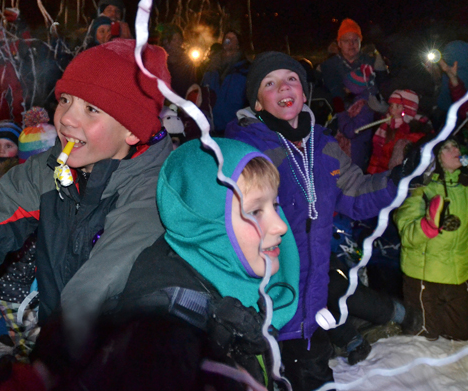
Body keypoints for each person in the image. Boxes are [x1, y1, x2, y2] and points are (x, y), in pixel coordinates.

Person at [0, 39, 173, 366]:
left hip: (119, 366)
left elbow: (96, 290)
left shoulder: (156, 193)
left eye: (91, 109)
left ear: (132, 130)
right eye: (65, 100)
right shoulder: (51, 169)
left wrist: (46, 367)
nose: (66, 120)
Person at [224, 52, 399, 390]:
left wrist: (399, 179)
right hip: (266, 311)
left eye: (290, 79)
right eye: (269, 83)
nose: (283, 87)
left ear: (303, 93)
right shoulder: (243, 149)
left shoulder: (325, 145)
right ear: (258, 103)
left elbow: (356, 194)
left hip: (312, 311)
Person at [118, 138, 300, 389]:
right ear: (206, 224)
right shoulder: (167, 325)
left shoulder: (242, 281)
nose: (280, 225)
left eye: (275, 205)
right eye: (255, 211)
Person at [394, 139, 468, 341]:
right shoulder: (421, 186)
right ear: (434, 158)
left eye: (456, 146)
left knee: (463, 333)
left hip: (458, 274)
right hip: (424, 275)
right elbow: (406, 231)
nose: (456, 149)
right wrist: (428, 226)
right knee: (425, 336)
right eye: (447, 148)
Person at [317, 18, 387, 110]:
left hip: (371, 113)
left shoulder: (371, 62)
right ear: (339, 43)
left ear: (360, 42)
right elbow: (334, 93)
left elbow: (383, 87)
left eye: (355, 40)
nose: (351, 44)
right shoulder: (329, 65)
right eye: (346, 41)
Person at [367, 90, 427, 175]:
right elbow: (376, 156)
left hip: (394, 178)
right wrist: (371, 175)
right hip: (380, 177)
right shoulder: (385, 127)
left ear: (408, 111)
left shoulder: (415, 131)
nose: (392, 110)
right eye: (391, 105)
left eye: (398, 106)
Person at [201, 29, 250, 132]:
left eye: (232, 38)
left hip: (234, 128)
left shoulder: (245, 69)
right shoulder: (211, 68)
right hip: (210, 127)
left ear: (238, 45)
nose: (228, 40)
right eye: (227, 38)